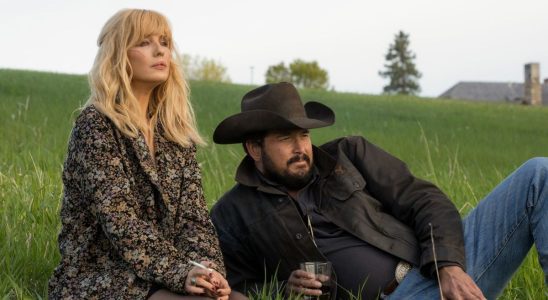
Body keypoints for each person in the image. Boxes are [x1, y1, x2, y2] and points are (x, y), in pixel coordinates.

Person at [210, 82, 548, 299]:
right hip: (397, 297)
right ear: (254, 148)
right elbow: (232, 288)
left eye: (304, 136)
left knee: (539, 173)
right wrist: (284, 290)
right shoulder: (233, 213)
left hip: (437, 270)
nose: (301, 148)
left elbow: (425, 200)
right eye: (285, 138)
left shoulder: (348, 154)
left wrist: (449, 266)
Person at [48, 9, 231, 299]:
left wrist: (208, 269)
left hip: (169, 272)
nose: (160, 50)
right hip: (103, 277)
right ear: (119, 55)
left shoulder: (175, 132)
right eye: (144, 42)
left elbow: (193, 219)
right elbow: (121, 223)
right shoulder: (96, 126)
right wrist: (182, 272)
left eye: (165, 42)